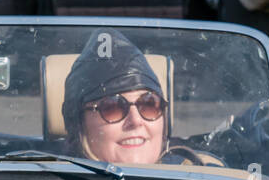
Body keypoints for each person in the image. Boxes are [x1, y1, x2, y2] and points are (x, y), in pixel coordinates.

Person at [62, 29, 223, 168]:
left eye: (149, 104)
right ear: (78, 123)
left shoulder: (202, 179)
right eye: (112, 107)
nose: (136, 121)